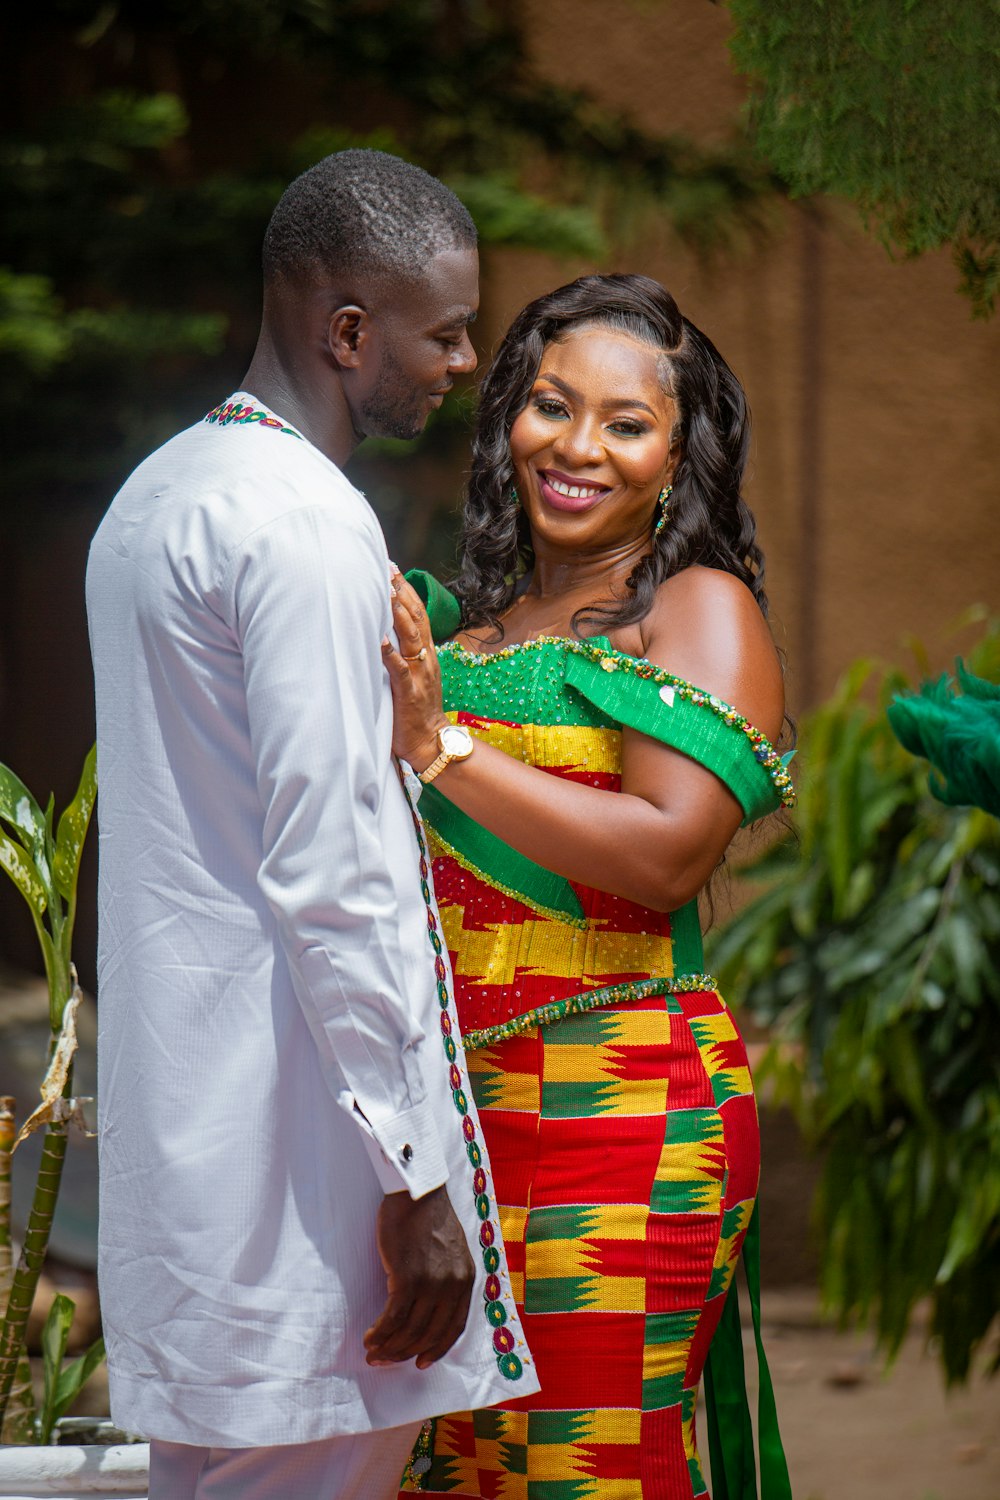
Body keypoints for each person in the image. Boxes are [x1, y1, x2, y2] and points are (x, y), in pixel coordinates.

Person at [85, 148, 538, 1500]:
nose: (465, 362)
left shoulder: (157, 496)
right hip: (311, 1195)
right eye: (445, 329)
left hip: (197, 1175)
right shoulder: (305, 524)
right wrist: (412, 1176)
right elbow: (334, 870)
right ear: (350, 333)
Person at [385, 274, 794, 1498]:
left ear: (681, 454)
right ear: (508, 413)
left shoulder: (693, 608)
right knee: (451, 1475)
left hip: (623, 1105)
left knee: (581, 1470)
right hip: (450, 1132)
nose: (576, 448)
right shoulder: (466, 637)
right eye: (551, 407)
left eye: (625, 424)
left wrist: (439, 750)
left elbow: (671, 847)